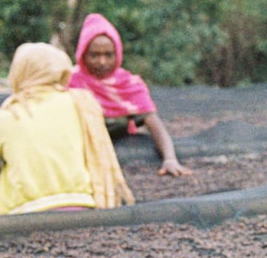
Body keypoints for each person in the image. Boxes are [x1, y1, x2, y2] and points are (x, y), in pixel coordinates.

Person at [0, 42, 135, 215]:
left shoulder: (5, 118)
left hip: (21, 215)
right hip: (82, 208)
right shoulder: (81, 104)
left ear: (19, 71)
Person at [67, 12, 192, 177]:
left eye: (108, 55)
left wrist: (169, 159)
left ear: (117, 54)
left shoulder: (128, 85)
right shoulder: (70, 83)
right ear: (83, 54)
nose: (102, 62)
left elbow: (154, 124)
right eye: (94, 55)